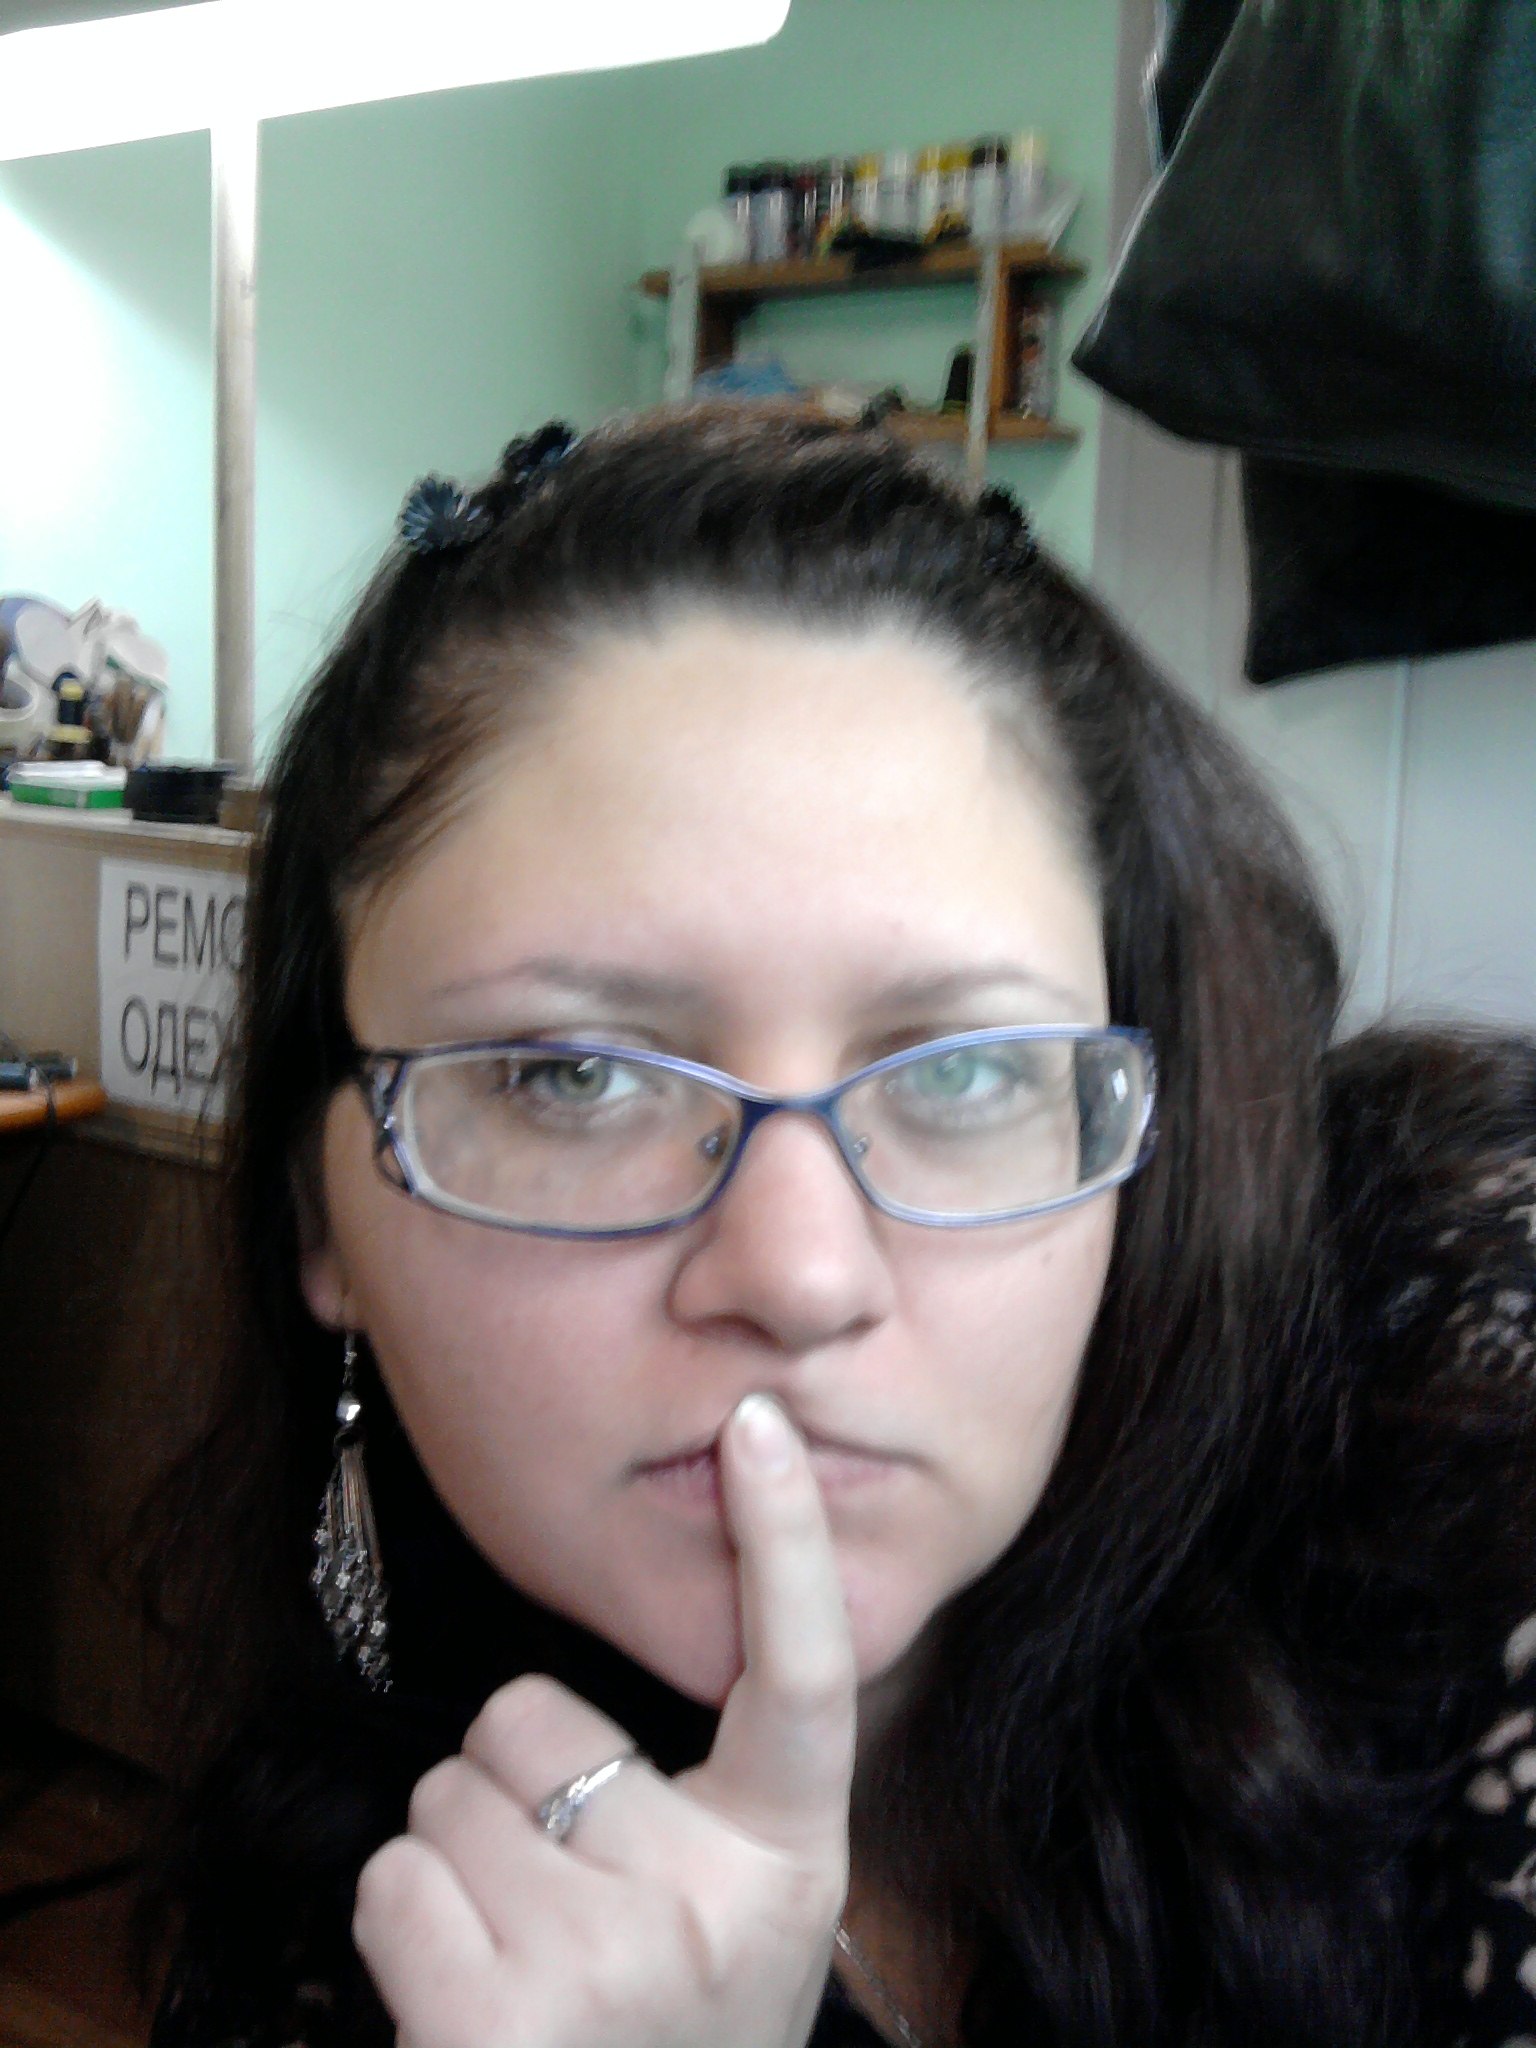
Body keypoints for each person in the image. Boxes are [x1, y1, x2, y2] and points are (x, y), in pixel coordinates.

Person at [144, 404, 1536, 2048]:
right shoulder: (329, 1959)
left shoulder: (1468, 1436)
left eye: (964, 1071)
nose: (801, 1276)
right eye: (575, 1077)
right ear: (321, 1219)